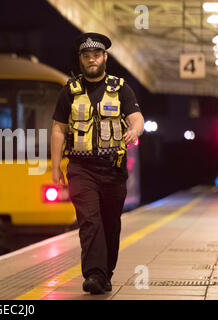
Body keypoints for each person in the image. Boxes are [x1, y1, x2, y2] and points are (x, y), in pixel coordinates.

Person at [50, 33, 144, 294]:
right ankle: (93, 274)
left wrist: (135, 131)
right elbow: (58, 129)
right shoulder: (69, 91)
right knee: (90, 221)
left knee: (110, 223)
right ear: (80, 60)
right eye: (86, 56)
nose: (91, 60)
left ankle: (105, 274)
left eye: (96, 55)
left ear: (105, 58)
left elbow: (137, 118)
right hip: (81, 169)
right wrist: (56, 166)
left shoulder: (121, 88)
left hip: (113, 168)